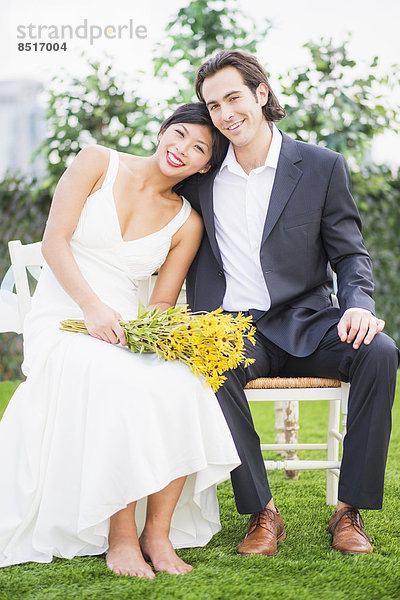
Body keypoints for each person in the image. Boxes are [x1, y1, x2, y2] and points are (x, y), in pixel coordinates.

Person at [0, 103, 240, 577]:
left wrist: (158, 340)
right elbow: (54, 242)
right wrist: (91, 307)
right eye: (179, 135)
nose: (182, 150)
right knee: (121, 382)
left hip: (124, 330)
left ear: (205, 165)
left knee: (183, 382)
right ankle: (122, 537)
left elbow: (160, 307)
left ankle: (158, 534)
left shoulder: (186, 223)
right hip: (65, 316)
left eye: (198, 148)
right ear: (162, 131)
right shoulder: (96, 162)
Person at [180, 50, 399, 556]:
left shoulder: (321, 167)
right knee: (208, 366)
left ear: (261, 93)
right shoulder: (202, 175)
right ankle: (263, 512)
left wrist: (358, 304)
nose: (224, 113)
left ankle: (350, 511)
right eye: (212, 105)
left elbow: (349, 254)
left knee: (380, 351)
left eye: (233, 97)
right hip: (235, 329)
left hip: (310, 322)